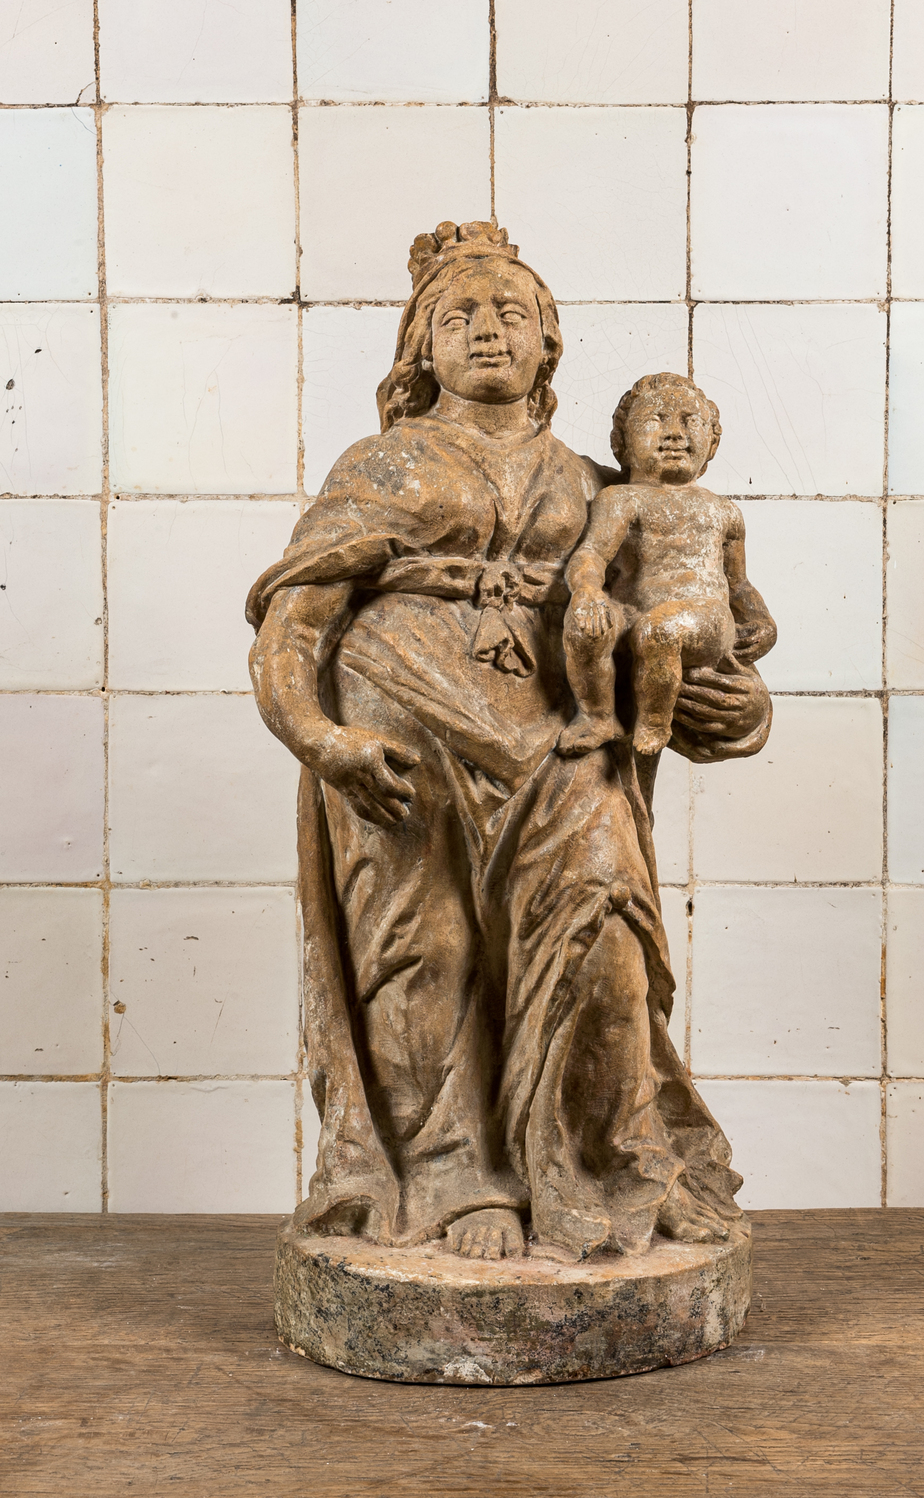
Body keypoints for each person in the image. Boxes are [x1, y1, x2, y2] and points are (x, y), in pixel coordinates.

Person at [246, 221, 774, 1263]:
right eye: (458, 316)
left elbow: (686, 614)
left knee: (606, 934)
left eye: (511, 314)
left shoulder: (600, 488)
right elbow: (290, 630)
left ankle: (615, 1155)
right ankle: (449, 1177)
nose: (487, 329)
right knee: (423, 949)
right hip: (402, 730)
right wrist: (322, 738)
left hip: (560, 744)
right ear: (420, 349)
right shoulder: (382, 464)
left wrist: (735, 707)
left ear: (549, 347)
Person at [558, 372, 777, 758]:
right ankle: (597, 715)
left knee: (660, 631)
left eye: (691, 421)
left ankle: (655, 722)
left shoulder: (722, 510)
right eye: (655, 420)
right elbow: (592, 553)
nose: (674, 434)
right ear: (622, 443)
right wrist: (587, 591)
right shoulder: (620, 500)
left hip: (701, 619)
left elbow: (738, 584)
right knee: (587, 626)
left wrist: (763, 623)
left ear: (712, 443)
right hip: (634, 614)